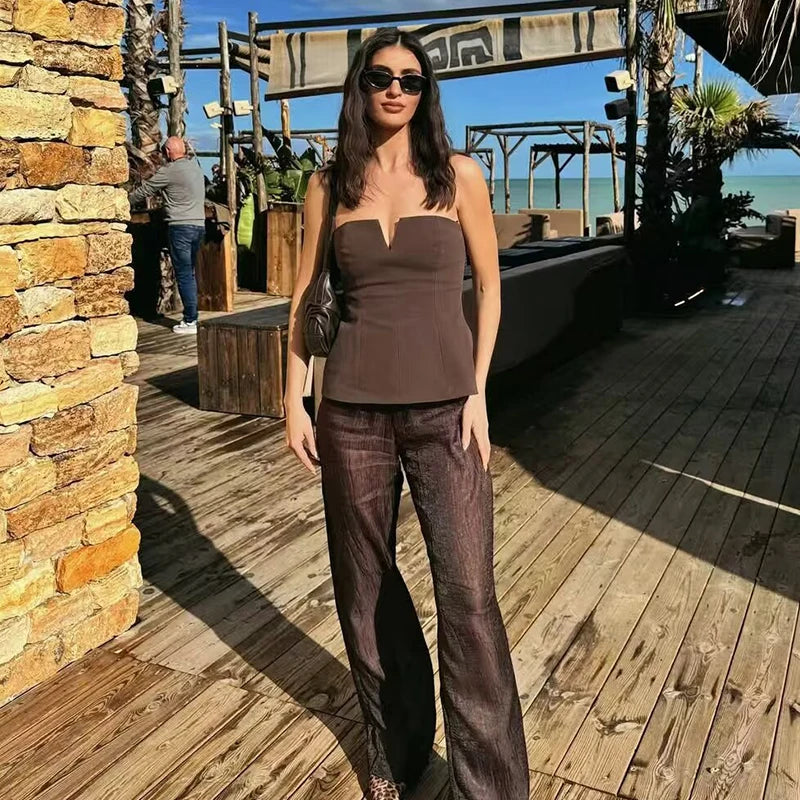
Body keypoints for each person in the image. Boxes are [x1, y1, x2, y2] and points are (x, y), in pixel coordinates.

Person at [282, 27, 530, 800]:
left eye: (411, 80)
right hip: (350, 416)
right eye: (382, 77)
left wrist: (479, 390)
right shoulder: (330, 184)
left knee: (469, 595)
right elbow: (304, 298)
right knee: (367, 591)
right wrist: (293, 396)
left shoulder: (459, 175)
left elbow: (490, 288)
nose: (396, 89)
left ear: (426, 93)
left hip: (447, 414)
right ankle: (398, 749)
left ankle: (492, 786)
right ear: (360, 87)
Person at [129, 136, 206, 335]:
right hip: (198, 226)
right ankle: (192, 316)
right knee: (190, 273)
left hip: (180, 228)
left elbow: (145, 190)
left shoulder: (170, 171)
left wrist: (122, 200)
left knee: (184, 274)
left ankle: (190, 320)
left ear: (168, 152)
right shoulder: (195, 168)